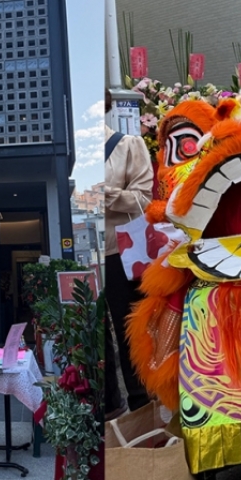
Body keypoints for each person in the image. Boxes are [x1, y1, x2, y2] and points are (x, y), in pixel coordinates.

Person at [105, 110, 155, 417]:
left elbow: (143, 198)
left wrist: (106, 195)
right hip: (90, 255)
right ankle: (110, 405)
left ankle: (142, 406)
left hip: (121, 251)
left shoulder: (127, 144)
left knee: (129, 329)